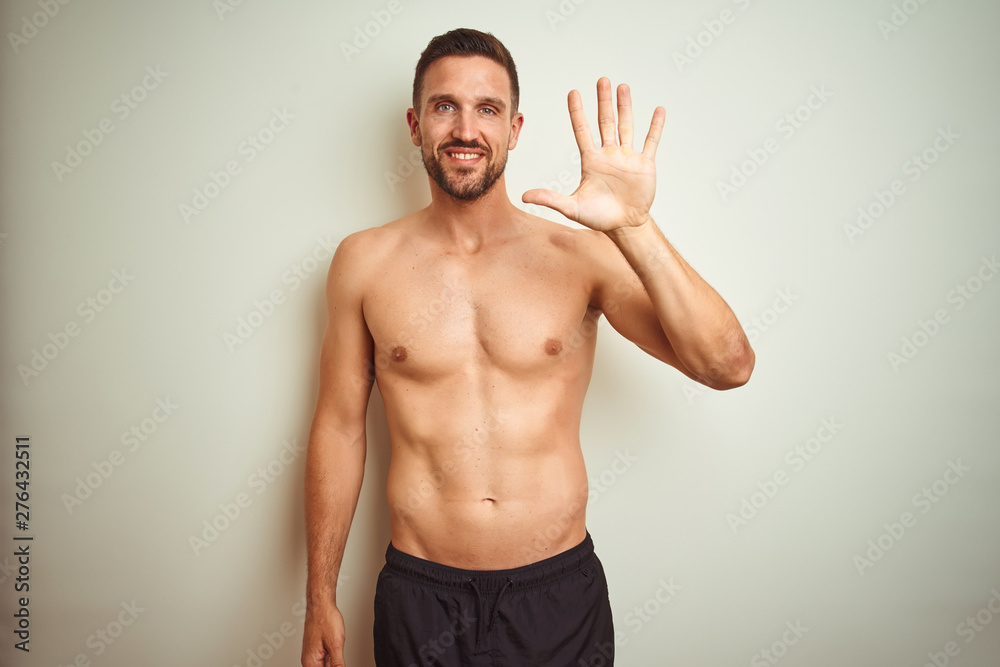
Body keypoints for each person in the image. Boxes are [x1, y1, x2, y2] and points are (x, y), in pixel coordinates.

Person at [301, 27, 754, 667]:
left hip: (557, 594)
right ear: (415, 123)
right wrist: (319, 594)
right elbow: (340, 428)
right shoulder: (364, 263)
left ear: (515, 129)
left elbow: (728, 365)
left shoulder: (578, 255)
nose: (465, 128)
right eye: (444, 106)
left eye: (487, 109)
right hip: (420, 594)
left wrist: (635, 227)